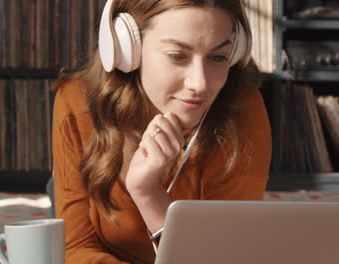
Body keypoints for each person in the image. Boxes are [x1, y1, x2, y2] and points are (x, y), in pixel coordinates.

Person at [51, 0, 272, 263]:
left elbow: (221, 257)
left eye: (217, 57)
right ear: (126, 47)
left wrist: (149, 194)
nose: (199, 84)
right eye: (178, 56)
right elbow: (76, 248)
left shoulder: (243, 109)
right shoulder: (76, 102)